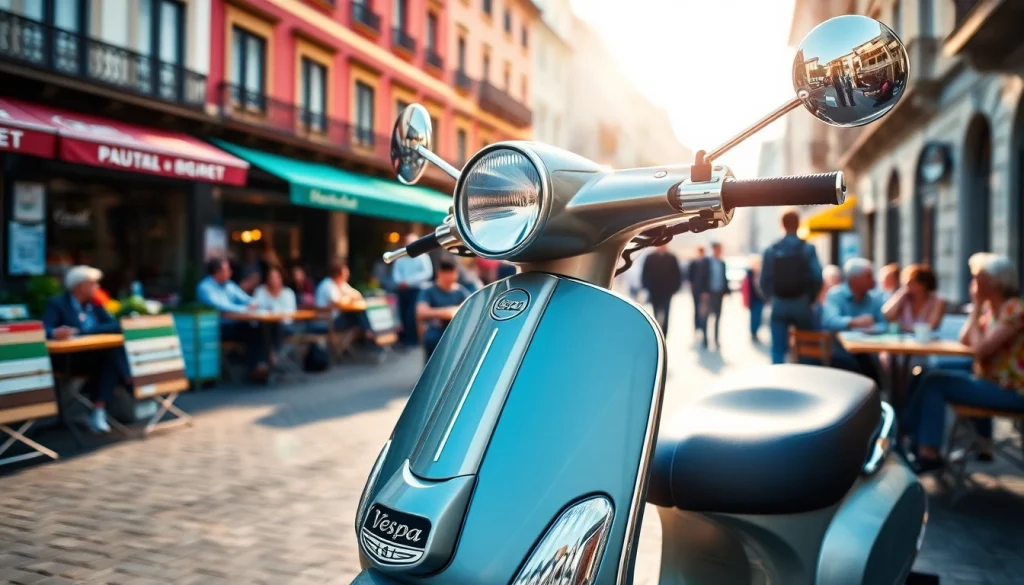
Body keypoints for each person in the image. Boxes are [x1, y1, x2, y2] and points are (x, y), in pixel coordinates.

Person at [902, 253, 1024, 472]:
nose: (973, 282)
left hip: (1012, 389)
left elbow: (980, 351)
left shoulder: (1014, 310)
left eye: (978, 277)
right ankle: (911, 436)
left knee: (936, 382)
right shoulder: (993, 309)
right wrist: (978, 309)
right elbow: (965, 339)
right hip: (992, 378)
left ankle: (923, 448)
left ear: (994, 282)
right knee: (930, 372)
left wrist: (976, 305)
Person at [42, 266, 130, 433]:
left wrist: (84, 332)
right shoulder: (57, 304)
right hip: (67, 360)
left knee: (110, 357)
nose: (97, 288)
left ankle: (99, 408)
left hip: (92, 357)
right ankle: (127, 381)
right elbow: (44, 329)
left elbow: (114, 325)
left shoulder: (95, 304)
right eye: (94, 284)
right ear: (80, 286)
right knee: (112, 358)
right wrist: (54, 332)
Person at [760, 209, 824, 363]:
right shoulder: (807, 249)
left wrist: (771, 298)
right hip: (801, 302)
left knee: (777, 349)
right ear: (798, 224)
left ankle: (779, 380)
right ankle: (806, 380)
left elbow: (763, 280)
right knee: (806, 346)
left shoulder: (771, 250)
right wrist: (810, 299)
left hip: (779, 303)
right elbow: (817, 276)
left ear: (781, 225)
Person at [197, 258, 269, 379]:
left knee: (257, 329)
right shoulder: (205, 287)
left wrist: (253, 303)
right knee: (251, 331)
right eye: (226, 270)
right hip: (215, 329)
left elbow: (246, 299)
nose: (230, 272)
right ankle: (255, 367)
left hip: (234, 325)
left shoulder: (229, 285)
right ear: (216, 272)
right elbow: (219, 306)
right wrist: (244, 309)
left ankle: (258, 367)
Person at [821, 258, 885, 381]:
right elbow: (829, 321)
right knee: (854, 368)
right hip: (841, 353)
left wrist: (872, 329)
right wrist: (855, 322)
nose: (873, 280)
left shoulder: (874, 298)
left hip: (870, 352)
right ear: (855, 278)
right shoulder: (835, 295)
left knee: (875, 368)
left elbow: (884, 324)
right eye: (869, 276)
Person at [417, 258, 471, 362]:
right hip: (436, 330)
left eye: (452, 272)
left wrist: (439, 312)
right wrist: (449, 312)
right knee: (432, 339)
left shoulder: (460, 291)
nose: (450, 276)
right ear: (440, 273)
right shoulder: (428, 290)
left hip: (456, 329)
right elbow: (421, 312)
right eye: (447, 273)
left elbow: (471, 309)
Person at [315, 258, 373, 344]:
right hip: (328, 321)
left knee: (359, 314)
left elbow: (357, 295)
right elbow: (337, 303)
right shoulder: (328, 285)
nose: (347, 276)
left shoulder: (340, 284)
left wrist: (347, 297)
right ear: (338, 275)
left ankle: (367, 333)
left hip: (336, 318)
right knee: (357, 316)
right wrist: (348, 299)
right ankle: (368, 334)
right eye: (345, 274)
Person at [392, 233, 434, 347]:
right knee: (403, 314)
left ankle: (413, 340)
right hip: (403, 290)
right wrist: (400, 282)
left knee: (412, 315)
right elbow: (396, 272)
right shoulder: (401, 257)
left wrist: (409, 282)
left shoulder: (423, 257)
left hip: (417, 290)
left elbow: (427, 273)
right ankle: (405, 339)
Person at [882, 264, 945, 333]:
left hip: (927, 341)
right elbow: (887, 315)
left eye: (912, 282)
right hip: (903, 341)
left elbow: (931, 326)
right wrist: (901, 294)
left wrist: (901, 327)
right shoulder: (904, 297)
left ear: (923, 284)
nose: (907, 286)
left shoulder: (937, 300)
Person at [253, 266, 298, 360]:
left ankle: (271, 357)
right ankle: (271, 358)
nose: (273, 280)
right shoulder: (260, 291)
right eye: (271, 277)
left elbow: (290, 315)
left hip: (284, 325)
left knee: (274, 326)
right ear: (267, 279)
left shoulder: (288, 293)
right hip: (263, 325)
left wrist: (273, 312)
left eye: (276, 277)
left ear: (281, 278)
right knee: (256, 329)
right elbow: (255, 308)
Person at [641, 245, 684, 335]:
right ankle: (656, 332)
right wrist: (647, 287)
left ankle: (664, 334)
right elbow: (645, 274)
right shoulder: (650, 258)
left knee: (666, 312)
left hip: (667, 291)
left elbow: (677, 274)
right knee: (655, 312)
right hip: (654, 291)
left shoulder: (672, 258)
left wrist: (675, 288)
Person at [695, 242, 729, 349]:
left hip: (718, 293)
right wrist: (703, 291)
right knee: (706, 316)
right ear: (714, 249)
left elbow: (724, 278)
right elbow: (701, 277)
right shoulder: (706, 262)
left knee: (717, 317)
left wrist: (726, 291)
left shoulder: (722, 263)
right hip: (708, 294)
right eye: (718, 249)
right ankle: (705, 338)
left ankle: (716, 339)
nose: (719, 251)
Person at [744, 255, 765, 343]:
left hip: (760, 298)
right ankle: (753, 332)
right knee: (754, 316)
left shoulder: (762, 272)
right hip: (753, 298)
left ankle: (756, 331)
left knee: (759, 316)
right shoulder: (749, 273)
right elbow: (746, 286)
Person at [689, 246, 708, 336]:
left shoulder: (706, 263)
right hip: (696, 291)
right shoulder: (694, 262)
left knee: (703, 310)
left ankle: (702, 326)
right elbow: (690, 276)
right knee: (696, 309)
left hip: (703, 291)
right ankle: (697, 326)